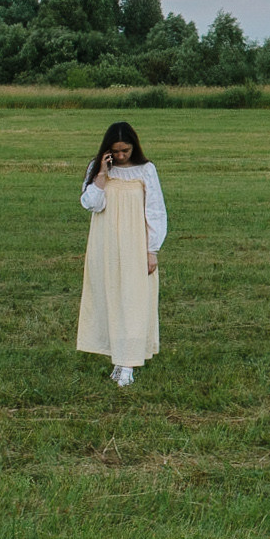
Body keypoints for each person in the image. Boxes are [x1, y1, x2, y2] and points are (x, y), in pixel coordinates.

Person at [77, 120, 166, 386]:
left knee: (133, 300)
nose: (120, 155)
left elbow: (155, 210)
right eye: (115, 151)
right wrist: (101, 175)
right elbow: (90, 204)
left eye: (125, 150)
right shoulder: (99, 170)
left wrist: (152, 250)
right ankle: (117, 358)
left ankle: (129, 363)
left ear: (133, 147)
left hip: (135, 244)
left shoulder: (146, 170)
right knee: (109, 299)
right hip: (104, 244)